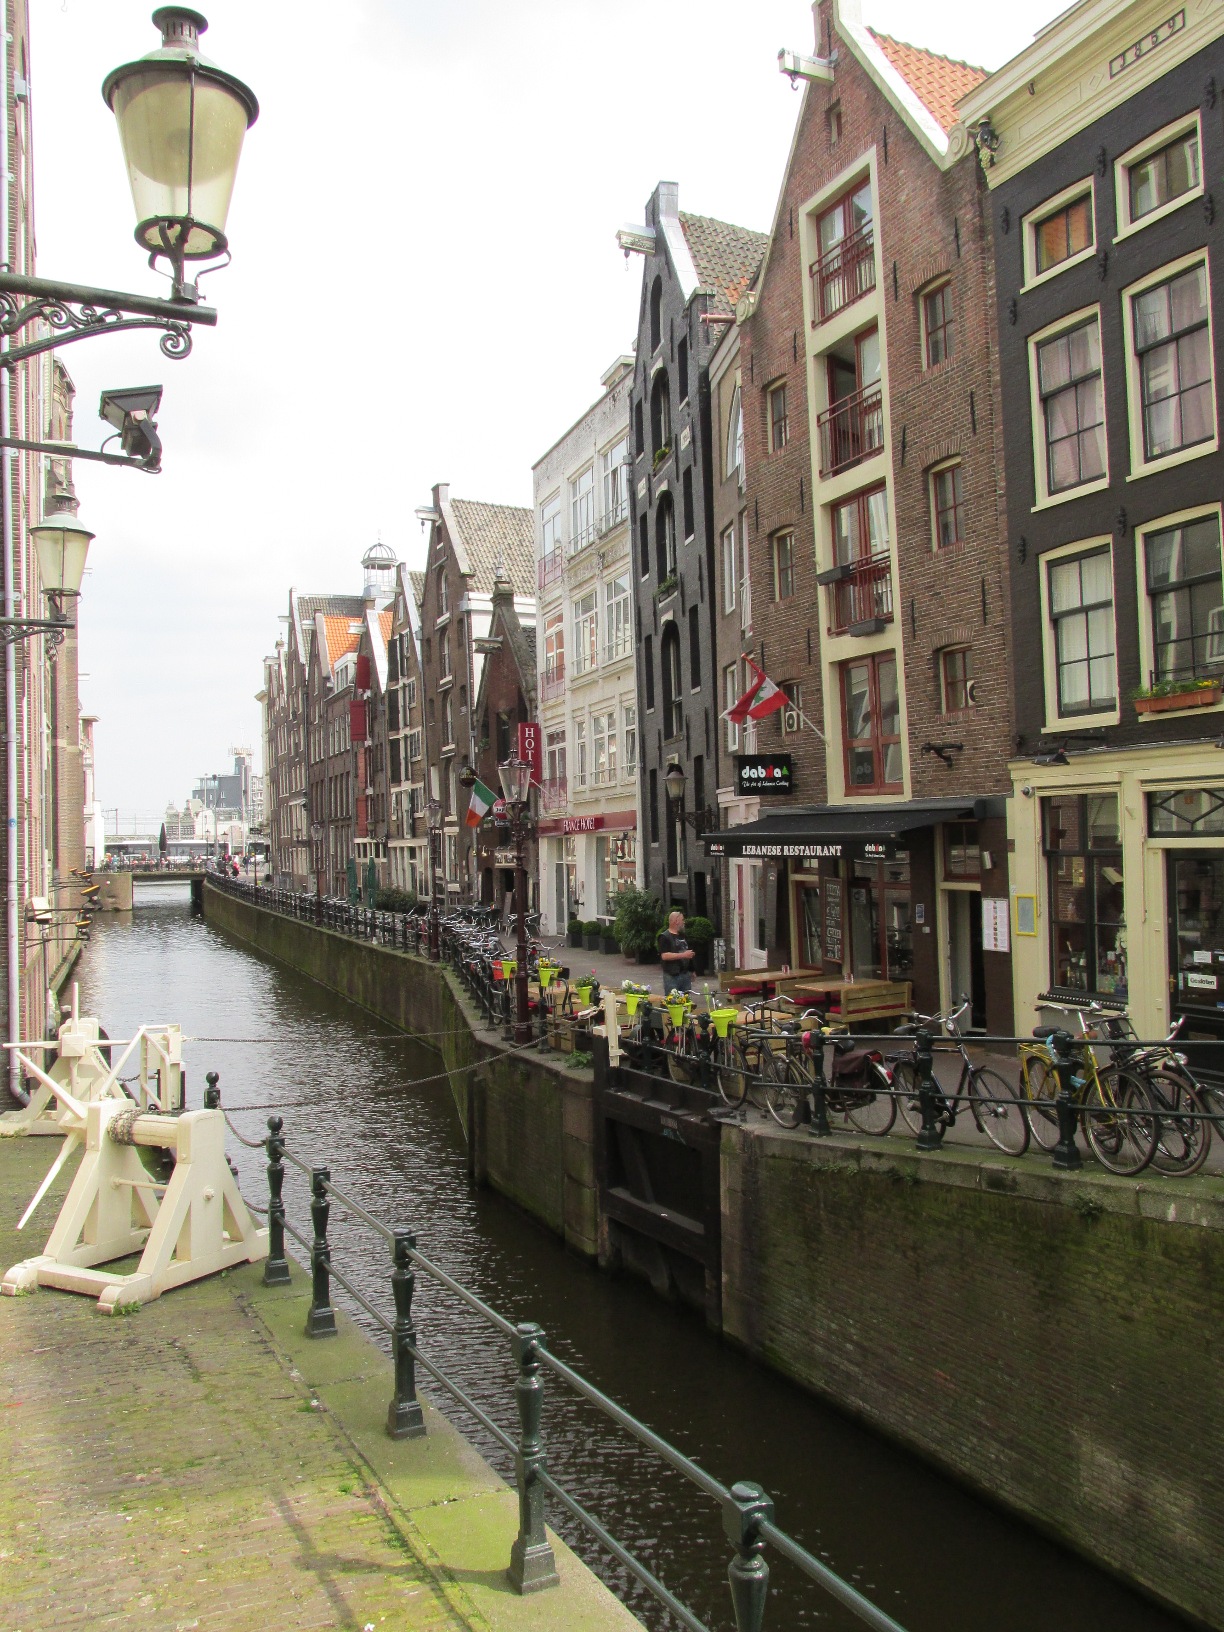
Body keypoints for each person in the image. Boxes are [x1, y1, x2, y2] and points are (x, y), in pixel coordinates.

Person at [658, 909, 695, 995]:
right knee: (673, 1000)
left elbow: (688, 953)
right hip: (672, 976)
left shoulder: (683, 935)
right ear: (676, 921)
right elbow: (664, 956)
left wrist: (692, 970)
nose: (684, 922)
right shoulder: (664, 937)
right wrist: (683, 955)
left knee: (686, 1000)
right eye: (682, 920)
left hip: (685, 974)